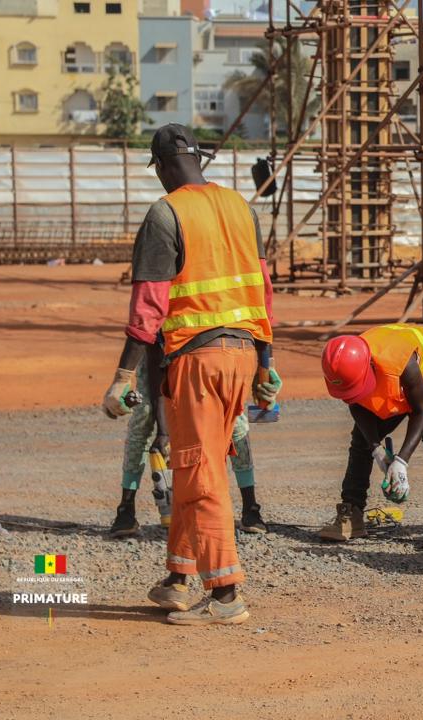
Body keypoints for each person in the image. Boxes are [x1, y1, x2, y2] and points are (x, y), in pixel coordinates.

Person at [101, 124, 280, 625]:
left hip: (198, 362)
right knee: (190, 464)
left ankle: (226, 594)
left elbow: (148, 307)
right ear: (201, 159)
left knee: (200, 472)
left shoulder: (166, 213)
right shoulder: (240, 208)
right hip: (241, 355)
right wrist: (267, 365)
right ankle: (180, 579)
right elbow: (261, 291)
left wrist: (123, 376)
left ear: (159, 168)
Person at [319, 324, 423, 549]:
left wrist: (401, 462)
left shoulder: (401, 363)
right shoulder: (347, 364)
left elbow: (422, 410)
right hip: (393, 380)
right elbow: (353, 402)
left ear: (368, 368)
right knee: (361, 441)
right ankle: (352, 513)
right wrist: (376, 449)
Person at [109, 345, 268, 538]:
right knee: (143, 417)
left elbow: (262, 328)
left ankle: (250, 508)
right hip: (166, 356)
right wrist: (163, 431)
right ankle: (126, 509)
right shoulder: (164, 324)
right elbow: (152, 354)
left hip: (216, 353)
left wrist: (267, 366)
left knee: (235, 420)